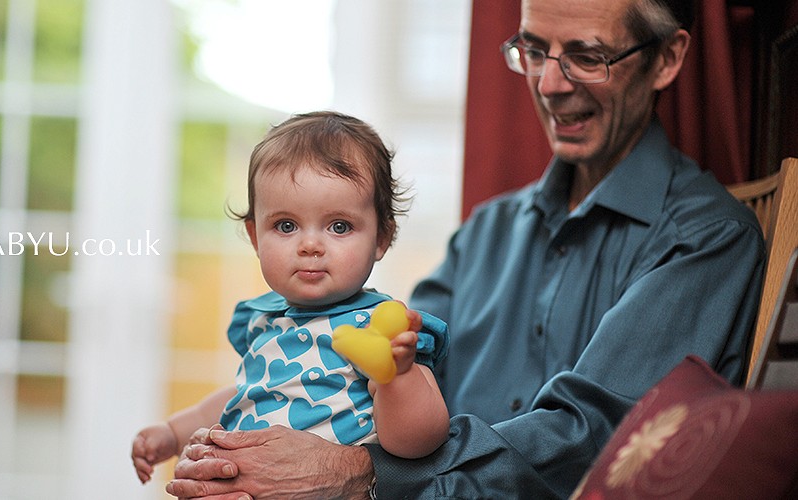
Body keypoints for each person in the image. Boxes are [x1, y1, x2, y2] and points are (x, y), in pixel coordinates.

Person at [166, 0, 767, 499]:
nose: (550, 84)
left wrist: (357, 473)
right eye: (533, 50)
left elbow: (597, 438)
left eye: (587, 56)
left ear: (667, 59)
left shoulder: (705, 238)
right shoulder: (489, 228)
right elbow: (375, 364)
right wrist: (238, 454)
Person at [131, 111, 451, 485]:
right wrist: (173, 432)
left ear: (381, 238)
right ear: (254, 237)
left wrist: (397, 376)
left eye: (339, 226)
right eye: (286, 226)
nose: (310, 245)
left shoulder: (383, 327)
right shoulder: (261, 319)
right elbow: (245, 395)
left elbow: (419, 442)